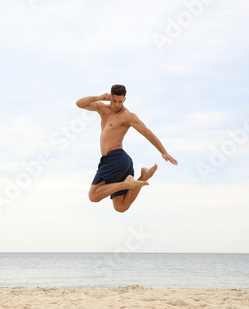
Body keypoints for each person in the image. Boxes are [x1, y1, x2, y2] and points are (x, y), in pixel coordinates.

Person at [76, 84, 178, 213]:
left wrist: (163, 152)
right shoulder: (102, 108)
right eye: (115, 101)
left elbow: (146, 132)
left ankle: (127, 183)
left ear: (125, 99)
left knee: (94, 196)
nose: (117, 104)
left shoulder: (127, 116)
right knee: (121, 206)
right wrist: (99, 97)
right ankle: (143, 177)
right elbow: (79, 103)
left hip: (116, 158)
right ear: (109, 97)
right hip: (115, 160)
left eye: (120, 101)